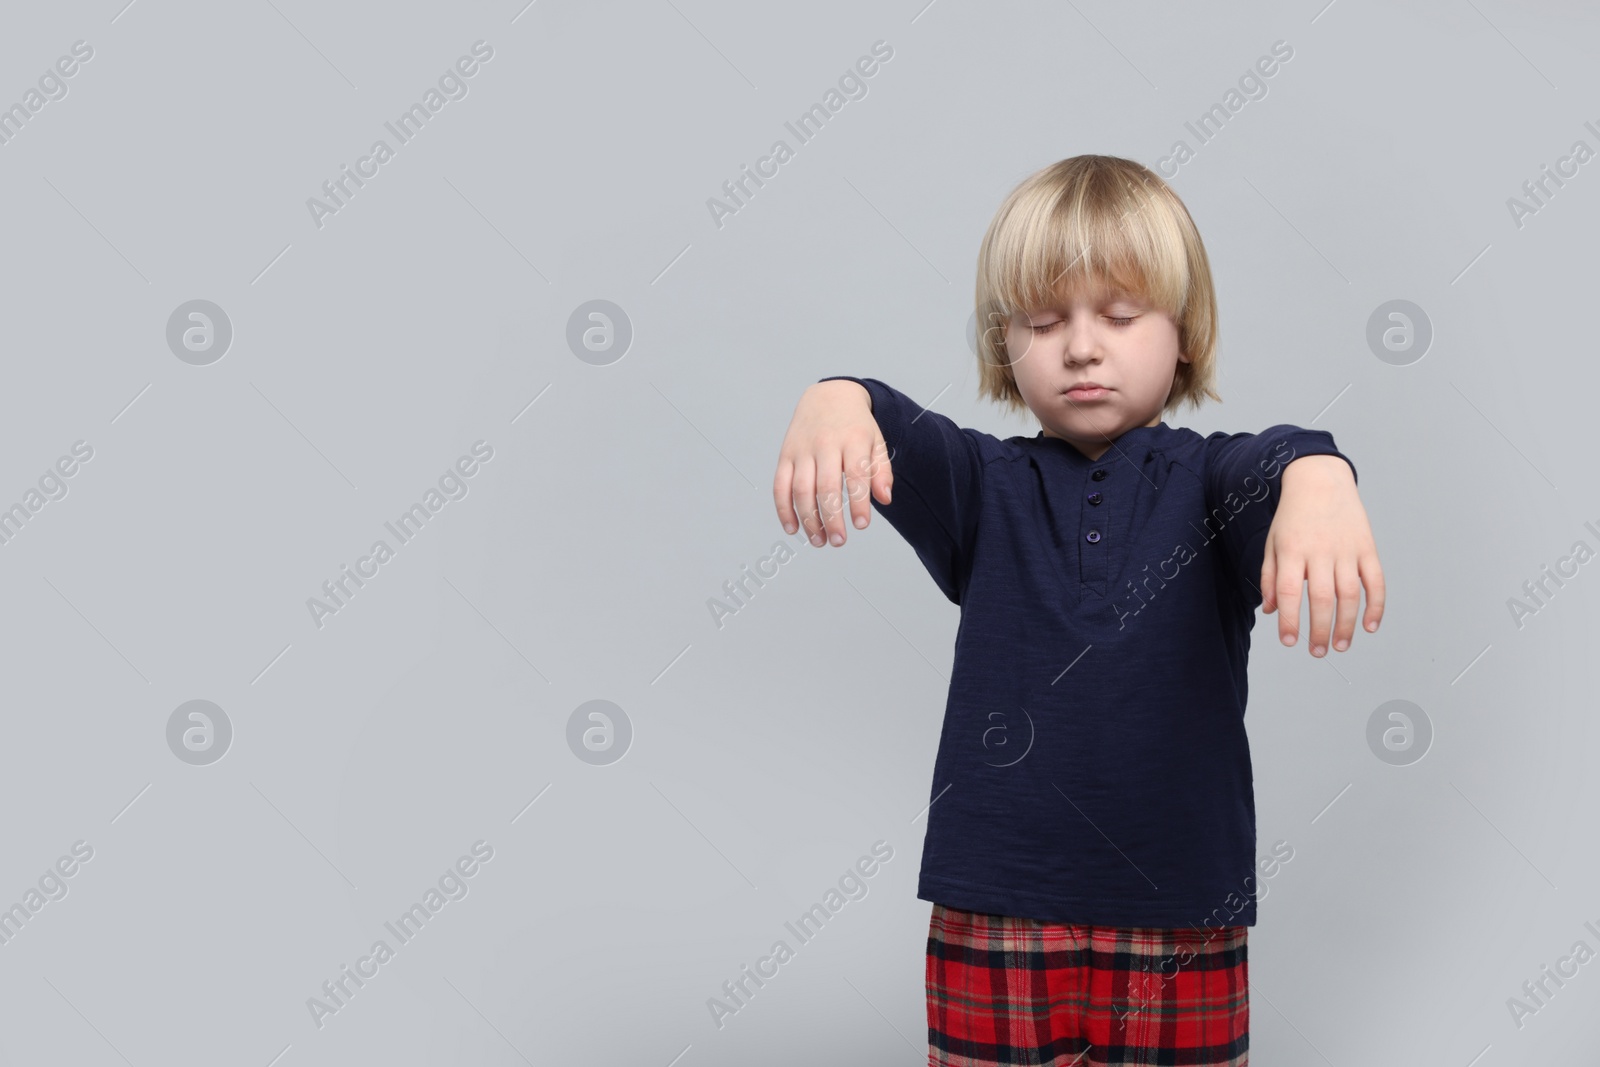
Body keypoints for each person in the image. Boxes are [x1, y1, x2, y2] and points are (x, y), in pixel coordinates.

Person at [771, 155, 1385, 1066]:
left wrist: (1322, 476)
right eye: (1044, 320)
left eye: (1121, 314)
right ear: (1003, 341)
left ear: (1184, 332)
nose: (1082, 346)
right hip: (996, 904)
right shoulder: (981, 485)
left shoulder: (1209, 483)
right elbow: (891, 421)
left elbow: (1278, 456)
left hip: (1181, 906)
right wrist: (833, 397)